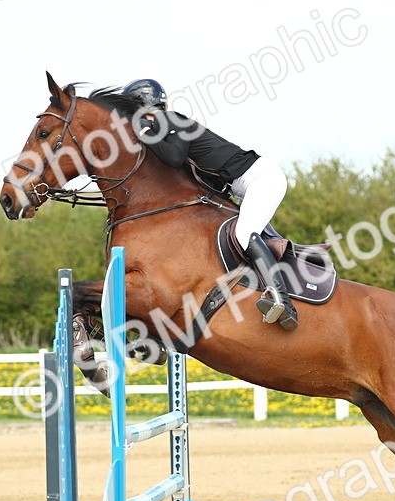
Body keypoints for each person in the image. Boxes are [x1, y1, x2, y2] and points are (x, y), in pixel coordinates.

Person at [122, 78, 297, 331]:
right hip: (245, 186)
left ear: (141, 106)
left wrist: (144, 131)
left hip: (261, 179)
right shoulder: (163, 128)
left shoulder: (171, 120)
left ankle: (282, 299)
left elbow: (174, 157)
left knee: (244, 234)